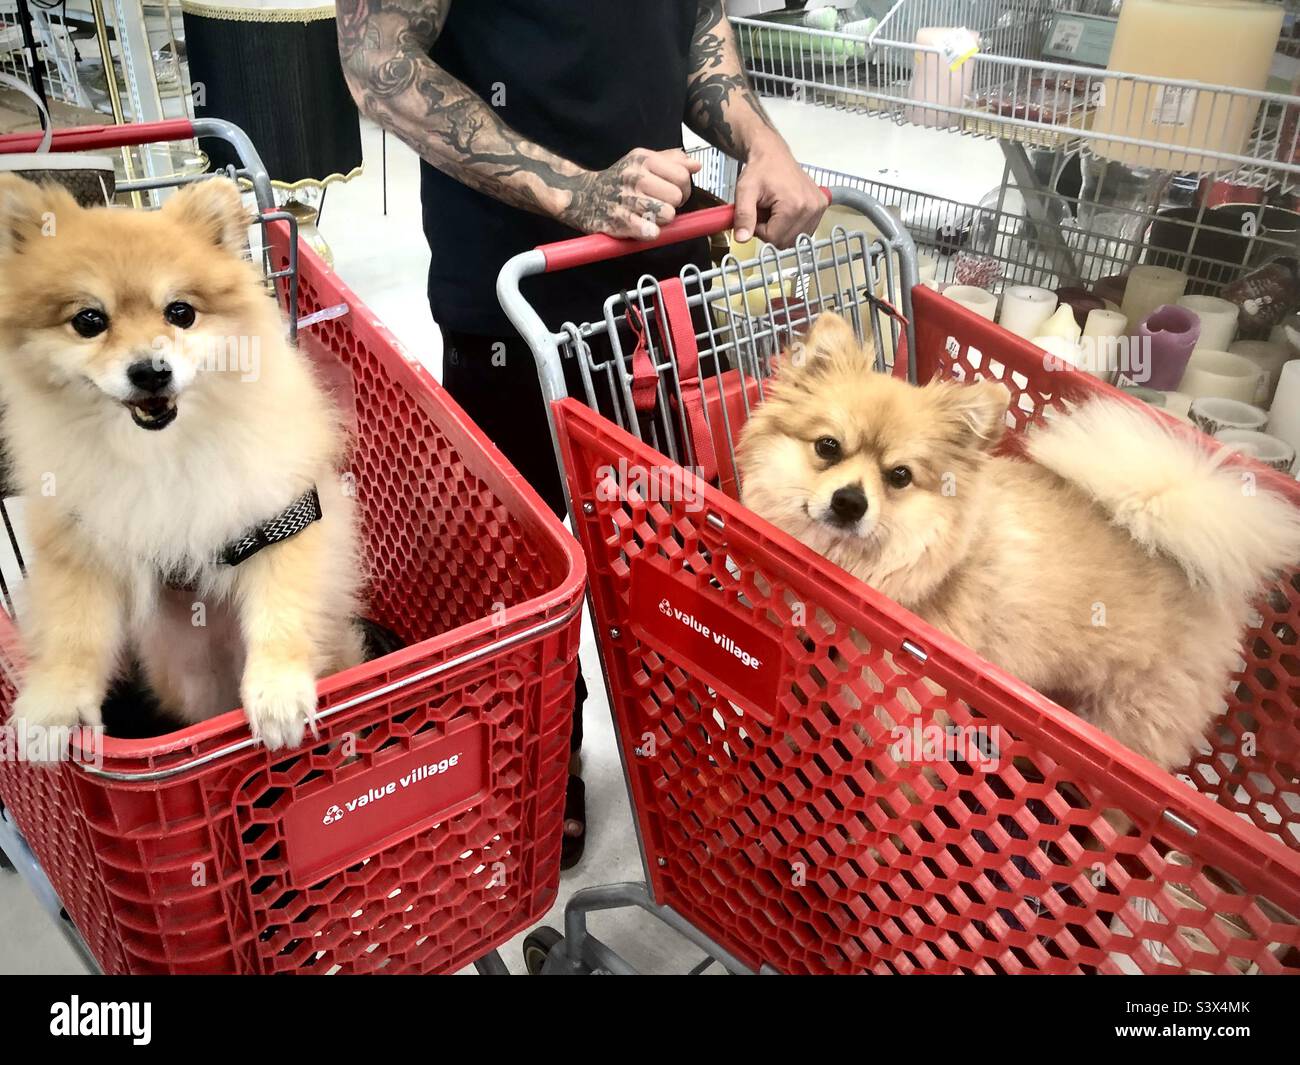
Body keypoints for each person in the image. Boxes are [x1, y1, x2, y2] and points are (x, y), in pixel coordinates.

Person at [337, 0, 825, 867]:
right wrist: (576, 190)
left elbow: (698, 27)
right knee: (516, 573)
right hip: (516, 294)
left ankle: (685, 757)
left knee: (672, 556)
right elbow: (379, 64)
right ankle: (540, 757)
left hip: (660, 288)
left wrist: (760, 139)